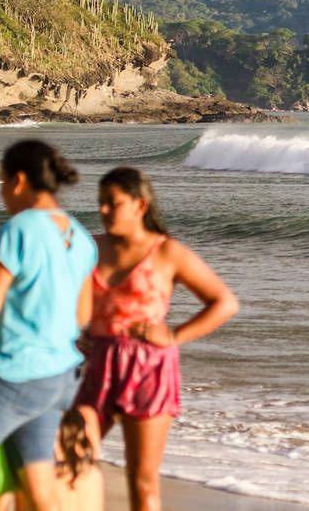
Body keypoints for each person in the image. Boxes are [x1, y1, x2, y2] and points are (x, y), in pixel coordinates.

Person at [74, 167, 238, 511]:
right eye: (100, 203)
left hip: (148, 368)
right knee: (72, 461)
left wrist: (174, 335)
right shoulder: (87, 247)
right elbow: (57, 296)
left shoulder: (167, 253)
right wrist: (74, 334)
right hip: (96, 366)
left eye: (112, 203)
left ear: (139, 205)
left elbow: (224, 302)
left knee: (142, 481)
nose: (103, 210)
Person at [0, 140, 96, 511]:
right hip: (58, 378)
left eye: (1, 184)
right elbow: (82, 316)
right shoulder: (80, 237)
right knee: (39, 488)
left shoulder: (19, 229)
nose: (2, 194)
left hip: (13, 376)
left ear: (18, 181)